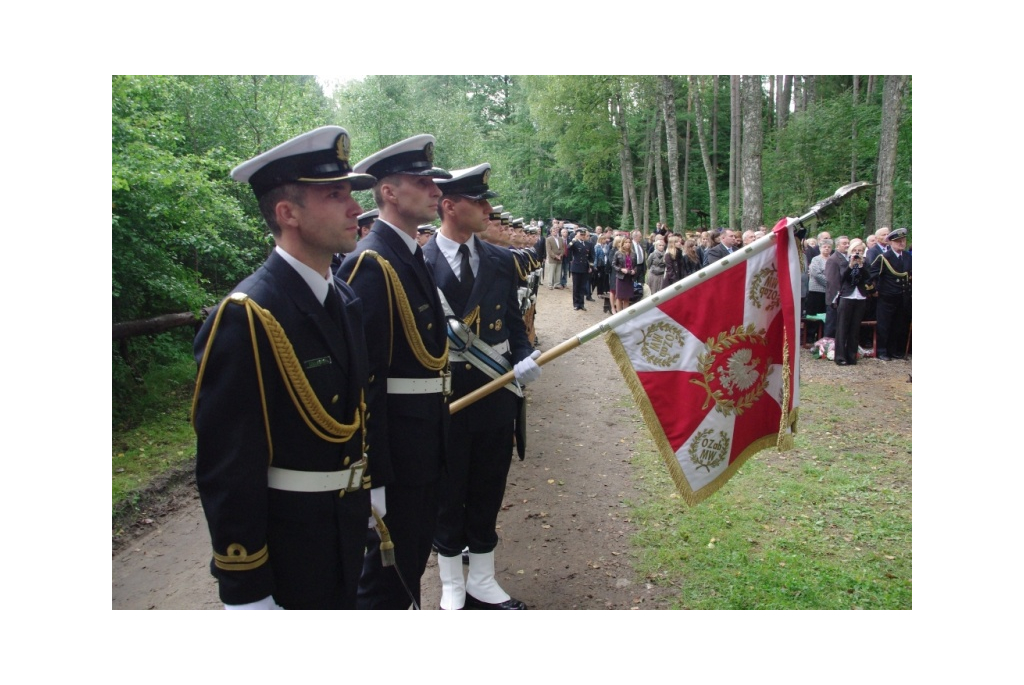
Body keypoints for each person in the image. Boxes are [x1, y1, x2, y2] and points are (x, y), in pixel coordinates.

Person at [192, 125, 377, 609]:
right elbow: (228, 465)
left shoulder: (344, 297)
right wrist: (245, 589)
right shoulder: (247, 315)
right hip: (291, 549)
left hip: (344, 530)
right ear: (287, 212)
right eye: (336, 195)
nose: (356, 208)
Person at [337, 134, 453, 610]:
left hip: (423, 442)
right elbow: (365, 383)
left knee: (408, 563)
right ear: (388, 192)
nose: (434, 191)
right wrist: (375, 474)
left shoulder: (407, 254)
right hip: (399, 455)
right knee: (384, 580)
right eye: (421, 181)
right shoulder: (372, 261)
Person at [424, 163, 541, 610]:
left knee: (489, 485)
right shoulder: (419, 264)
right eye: (479, 201)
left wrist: (525, 355)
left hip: (495, 395)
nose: (488, 209)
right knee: (448, 491)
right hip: (446, 398)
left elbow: (514, 323)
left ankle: (484, 579)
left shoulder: (498, 260)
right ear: (449, 207)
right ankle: (453, 583)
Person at [826, 238, 871, 366]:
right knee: (842, 327)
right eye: (855, 250)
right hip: (847, 296)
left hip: (860, 296)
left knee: (855, 328)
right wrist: (851, 266)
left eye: (860, 251)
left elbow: (868, 278)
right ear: (851, 251)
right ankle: (840, 357)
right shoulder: (845, 262)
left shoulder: (865, 262)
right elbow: (842, 278)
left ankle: (852, 356)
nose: (857, 253)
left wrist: (861, 266)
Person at [870, 227, 912, 361]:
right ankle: (882, 351)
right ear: (891, 243)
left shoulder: (906, 256)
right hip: (887, 297)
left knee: (899, 325)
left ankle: (894, 350)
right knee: (885, 325)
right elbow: (871, 276)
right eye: (898, 241)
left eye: (903, 241)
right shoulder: (884, 258)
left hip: (902, 296)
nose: (901, 243)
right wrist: (873, 291)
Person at [568, 226, 593, 311]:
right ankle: (576, 303)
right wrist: (573, 240)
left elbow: (591, 257)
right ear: (577, 235)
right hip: (576, 267)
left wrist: (591, 266)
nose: (582, 236)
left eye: (583, 235)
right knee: (576, 286)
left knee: (583, 287)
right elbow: (568, 249)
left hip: (584, 267)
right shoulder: (574, 243)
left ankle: (581, 304)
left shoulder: (588, 244)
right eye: (581, 234)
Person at [807, 238, 833, 316]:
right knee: (814, 314)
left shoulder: (833, 259)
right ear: (820, 248)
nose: (827, 248)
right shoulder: (816, 259)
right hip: (816, 290)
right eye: (824, 247)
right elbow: (816, 274)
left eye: (829, 247)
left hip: (829, 292)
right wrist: (829, 283)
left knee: (825, 314)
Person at [612, 236, 637, 313]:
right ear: (622, 243)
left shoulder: (633, 254)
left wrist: (634, 270)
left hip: (629, 278)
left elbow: (636, 265)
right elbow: (613, 264)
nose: (628, 244)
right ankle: (619, 313)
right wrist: (621, 269)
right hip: (621, 277)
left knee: (627, 297)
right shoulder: (618, 253)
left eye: (629, 242)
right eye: (626, 242)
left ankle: (625, 313)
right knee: (619, 297)